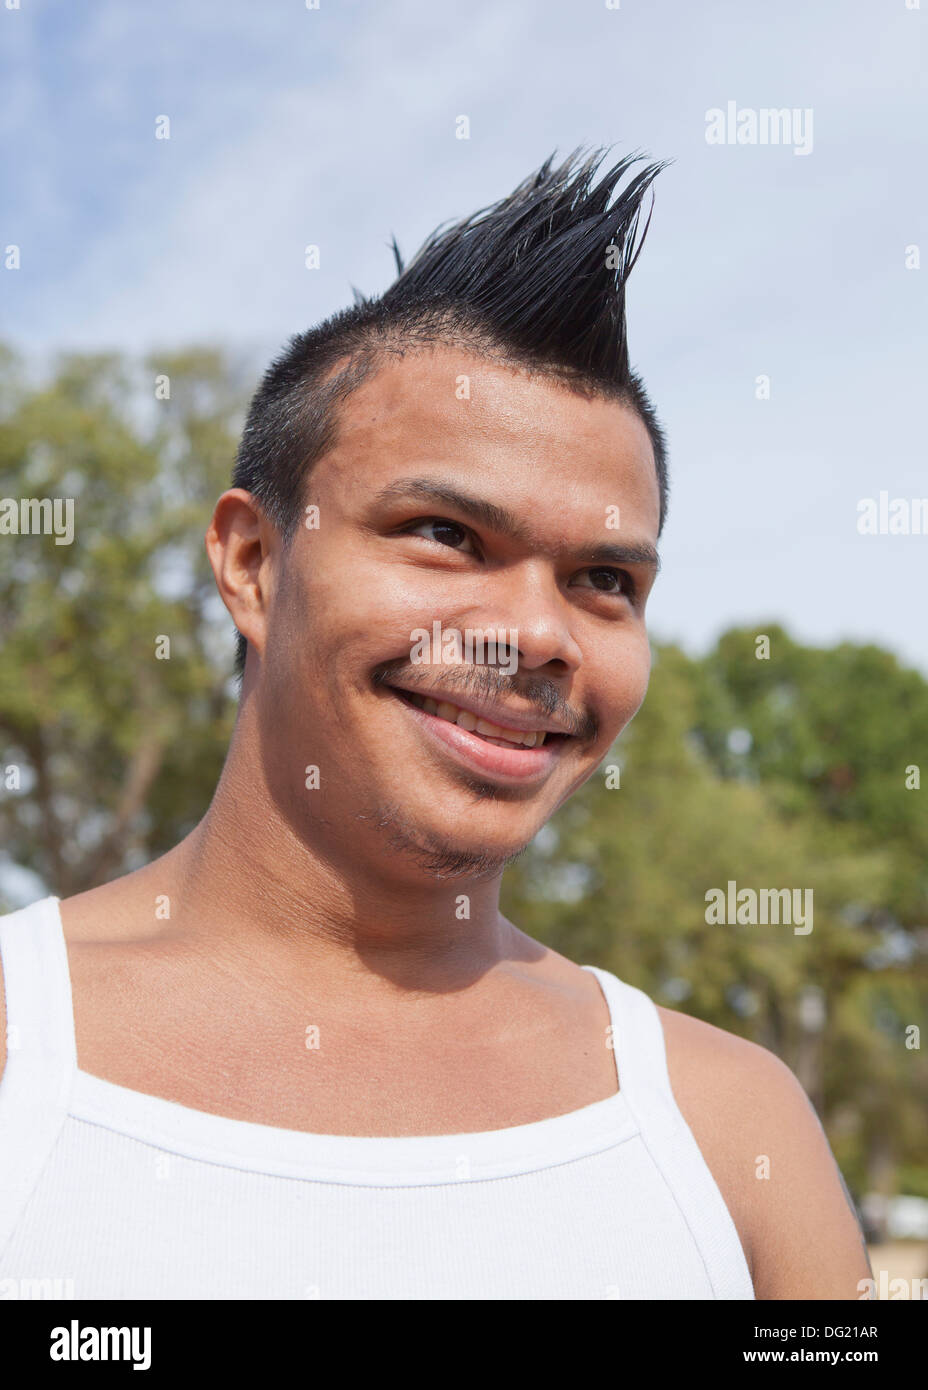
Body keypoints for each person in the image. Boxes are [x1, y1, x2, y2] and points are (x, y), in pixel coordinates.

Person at [0, 148, 871, 1300]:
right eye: (448, 536)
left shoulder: (725, 1126)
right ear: (255, 563)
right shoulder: (24, 1052)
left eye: (605, 577)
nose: (539, 632)